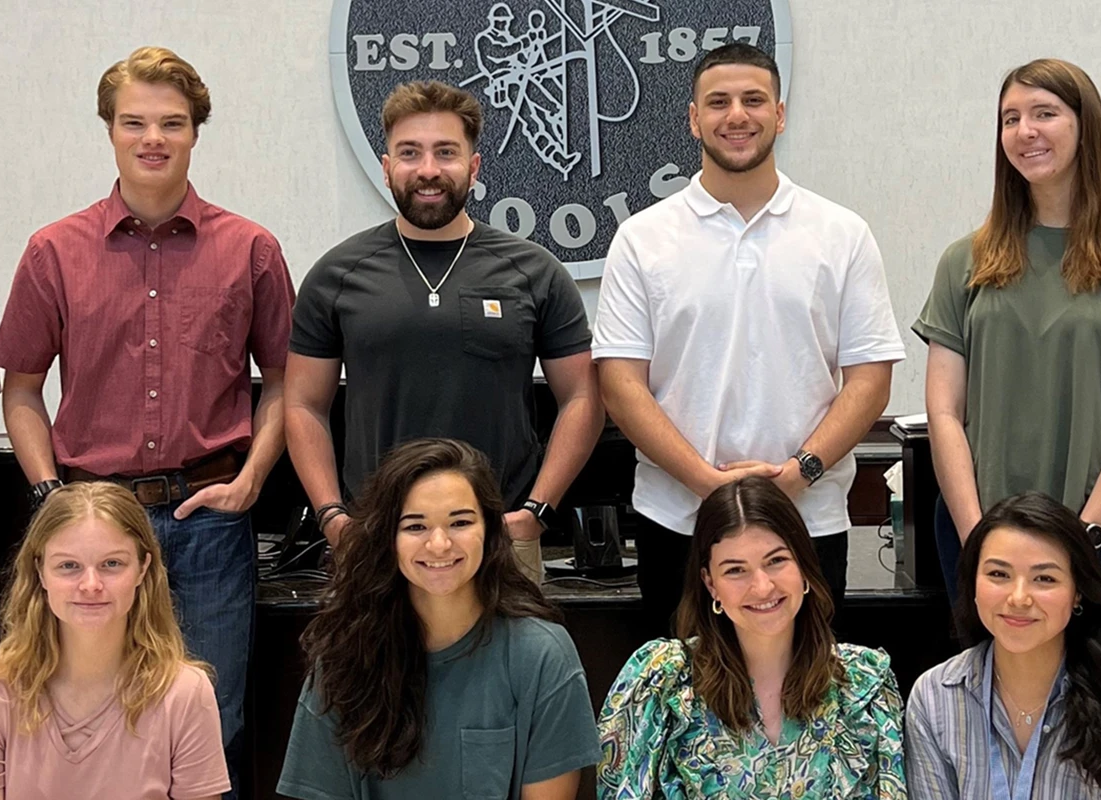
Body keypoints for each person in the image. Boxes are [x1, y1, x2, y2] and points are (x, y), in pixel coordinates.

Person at [0, 46, 294, 765]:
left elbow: (285, 381)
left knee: (211, 721)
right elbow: (23, 389)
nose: (153, 139)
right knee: (84, 715)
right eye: (135, 122)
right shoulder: (53, 252)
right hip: (91, 522)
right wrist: (46, 495)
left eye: (172, 123)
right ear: (109, 130)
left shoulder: (250, 249)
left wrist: (252, 478)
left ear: (196, 132)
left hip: (208, 520)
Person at [594, 42, 905, 636]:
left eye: (753, 99)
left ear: (780, 114)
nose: (737, 115)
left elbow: (869, 379)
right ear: (693, 119)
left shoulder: (841, 234)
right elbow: (620, 383)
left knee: (804, 706)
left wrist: (799, 472)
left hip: (806, 522)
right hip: (678, 522)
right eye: (718, 102)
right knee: (682, 708)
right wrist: (706, 483)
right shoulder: (642, 239)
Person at [915, 58, 1101, 622]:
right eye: (1010, 118)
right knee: (982, 700)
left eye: (1044, 113)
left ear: (1084, 126)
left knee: (1089, 703)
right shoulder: (964, 261)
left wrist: (1083, 536)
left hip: (1098, 537)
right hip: (977, 535)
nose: (1025, 131)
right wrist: (981, 539)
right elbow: (943, 410)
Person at [285, 80, 600, 584]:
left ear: (473, 168)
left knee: (512, 664)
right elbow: (303, 405)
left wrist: (536, 513)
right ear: (386, 168)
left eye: (446, 152)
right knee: (372, 666)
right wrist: (333, 519)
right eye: (409, 153)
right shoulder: (337, 275)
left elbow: (582, 395)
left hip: (500, 541)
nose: (428, 169)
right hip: (376, 542)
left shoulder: (534, 271)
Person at [278, 438, 599, 799]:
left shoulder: (543, 655)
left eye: (460, 522)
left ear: (491, 531)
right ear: (388, 539)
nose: (440, 544)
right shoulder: (343, 657)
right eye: (415, 527)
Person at [598, 476, 906, 798]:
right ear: (710, 583)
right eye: (735, 570)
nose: (762, 587)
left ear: (804, 565)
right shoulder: (663, 683)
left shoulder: (863, 683)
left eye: (776, 561)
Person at [0, 482, 228, 800]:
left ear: (142, 569)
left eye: (112, 564)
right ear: (40, 571)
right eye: (69, 566)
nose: (91, 585)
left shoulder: (185, 693)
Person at [904, 491, 1101, 798]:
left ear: (1078, 592)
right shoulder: (935, 698)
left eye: (1044, 579)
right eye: (998, 574)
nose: (1018, 598)